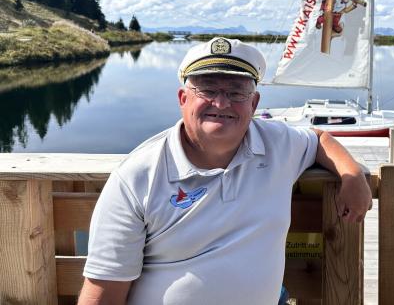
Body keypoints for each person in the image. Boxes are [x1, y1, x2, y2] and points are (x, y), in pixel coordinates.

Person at [78, 37, 373, 305]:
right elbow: (104, 290)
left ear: (254, 103)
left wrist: (352, 176)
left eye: (236, 91)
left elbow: (320, 139)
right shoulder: (137, 175)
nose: (221, 103)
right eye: (207, 89)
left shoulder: (278, 143)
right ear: (183, 99)